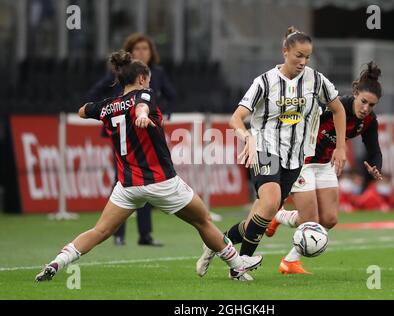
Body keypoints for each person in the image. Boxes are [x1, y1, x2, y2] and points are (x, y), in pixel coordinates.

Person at [35, 51, 262, 282]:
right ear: (142, 78)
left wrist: (100, 109)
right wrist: (142, 115)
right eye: (149, 78)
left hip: (127, 186)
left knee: (100, 231)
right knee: (203, 220)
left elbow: (83, 111)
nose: (150, 83)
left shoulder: (109, 106)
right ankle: (236, 265)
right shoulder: (144, 94)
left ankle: (57, 262)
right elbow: (142, 105)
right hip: (161, 182)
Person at [196, 26, 347, 281]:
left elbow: (338, 109)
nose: (303, 62)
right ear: (285, 51)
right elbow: (236, 118)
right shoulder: (264, 82)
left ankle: (217, 244)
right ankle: (239, 266)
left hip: (296, 157)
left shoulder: (316, 80)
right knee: (268, 203)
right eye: (298, 55)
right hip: (265, 149)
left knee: (262, 216)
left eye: (307, 57)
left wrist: (341, 147)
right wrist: (248, 139)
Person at [265, 62, 384, 274]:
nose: (366, 108)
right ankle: (280, 219)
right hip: (301, 162)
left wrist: (376, 167)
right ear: (355, 93)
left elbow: (374, 150)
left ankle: (289, 258)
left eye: (372, 105)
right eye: (364, 101)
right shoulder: (334, 106)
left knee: (329, 219)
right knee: (311, 220)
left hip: (324, 165)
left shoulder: (368, 121)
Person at [86, 33, 176, 247]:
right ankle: (117, 233)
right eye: (137, 49)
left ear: (151, 52)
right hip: (125, 135)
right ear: (130, 52)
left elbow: (171, 95)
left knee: (143, 181)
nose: (141, 52)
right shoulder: (120, 75)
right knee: (124, 179)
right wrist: (108, 109)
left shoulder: (158, 74)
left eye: (145, 48)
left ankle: (145, 235)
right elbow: (94, 93)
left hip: (148, 134)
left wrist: (163, 113)